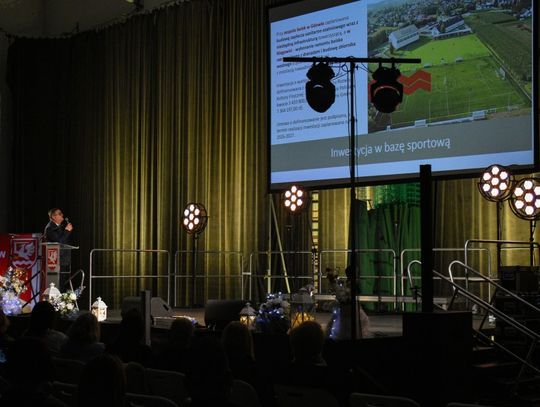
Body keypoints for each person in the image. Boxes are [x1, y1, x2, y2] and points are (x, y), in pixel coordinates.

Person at [43, 208, 74, 290]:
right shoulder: (50, 228)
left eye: (61, 213)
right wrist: (67, 231)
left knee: (63, 282)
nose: (62, 215)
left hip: (64, 259)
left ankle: (62, 296)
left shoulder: (60, 227)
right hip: (56, 260)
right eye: (59, 213)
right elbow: (59, 241)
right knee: (58, 282)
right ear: (53, 216)